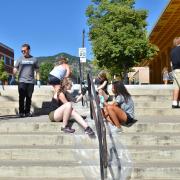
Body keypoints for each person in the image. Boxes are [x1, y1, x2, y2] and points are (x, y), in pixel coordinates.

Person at [13, 43, 40, 117]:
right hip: (22, 81)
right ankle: (21, 112)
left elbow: (37, 70)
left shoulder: (34, 59)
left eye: (24, 50)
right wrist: (14, 72)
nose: (23, 52)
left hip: (31, 81)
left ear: (29, 50)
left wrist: (38, 80)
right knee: (21, 97)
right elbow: (15, 68)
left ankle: (27, 112)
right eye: (22, 51)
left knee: (29, 97)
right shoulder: (19, 59)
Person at [170, 37, 180, 108]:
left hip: (175, 70)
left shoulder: (172, 51)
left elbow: (171, 62)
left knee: (176, 87)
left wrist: (173, 70)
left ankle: (174, 103)